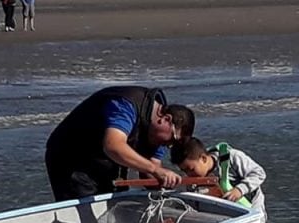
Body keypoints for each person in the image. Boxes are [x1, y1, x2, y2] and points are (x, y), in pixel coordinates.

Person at [45, 86, 195, 201]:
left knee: (115, 206)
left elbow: (149, 172)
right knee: (87, 209)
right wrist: (156, 171)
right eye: (172, 140)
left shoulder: (159, 134)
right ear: (166, 119)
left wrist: (163, 181)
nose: (168, 145)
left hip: (105, 162)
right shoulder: (125, 105)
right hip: (71, 158)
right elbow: (113, 146)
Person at [170, 137, 266, 214]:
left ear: (203, 158)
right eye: (184, 171)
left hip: (253, 211)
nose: (188, 174)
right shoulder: (193, 180)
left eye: (190, 169)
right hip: (224, 215)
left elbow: (259, 173)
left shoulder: (232, 157)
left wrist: (239, 190)